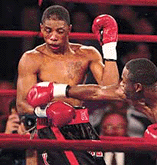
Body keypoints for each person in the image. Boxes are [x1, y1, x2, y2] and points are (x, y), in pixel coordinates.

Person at [27, 58, 157, 164]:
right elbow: (97, 92)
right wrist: (58, 89)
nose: (120, 85)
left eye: (125, 80)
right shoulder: (130, 93)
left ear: (138, 86)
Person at [16, 4, 120, 165]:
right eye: (48, 30)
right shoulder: (32, 59)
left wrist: (109, 48)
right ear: (41, 28)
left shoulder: (87, 54)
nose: (53, 37)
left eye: (60, 31)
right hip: (50, 128)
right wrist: (47, 112)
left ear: (69, 29)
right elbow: (22, 105)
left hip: (82, 124)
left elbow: (112, 90)